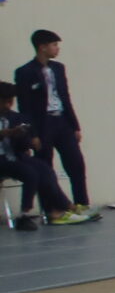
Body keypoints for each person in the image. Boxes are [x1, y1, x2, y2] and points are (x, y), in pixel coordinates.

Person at [14, 29, 92, 221]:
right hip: (42, 123)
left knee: (76, 162)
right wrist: (32, 133)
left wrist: (74, 125)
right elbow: (25, 106)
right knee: (46, 167)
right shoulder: (25, 72)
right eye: (54, 45)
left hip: (62, 120)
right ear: (42, 47)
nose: (57, 49)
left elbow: (65, 97)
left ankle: (81, 204)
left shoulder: (58, 68)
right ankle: (51, 210)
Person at [0, 83, 74, 226]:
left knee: (44, 169)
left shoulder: (15, 118)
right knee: (30, 173)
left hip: (14, 157)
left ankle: (61, 208)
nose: (7, 106)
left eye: (10, 102)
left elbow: (22, 145)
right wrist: (7, 133)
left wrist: (27, 140)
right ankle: (25, 214)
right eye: (3, 102)